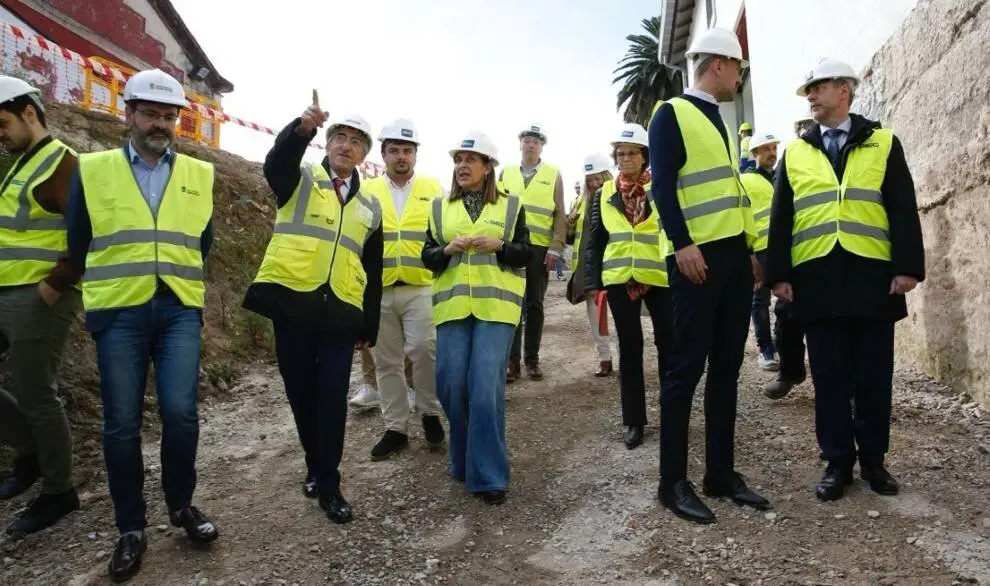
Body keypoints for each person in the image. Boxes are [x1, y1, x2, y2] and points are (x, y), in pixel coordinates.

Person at [66, 69, 218, 581]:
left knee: (180, 413)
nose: (160, 123)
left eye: (169, 115)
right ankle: (130, 528)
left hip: (178, 308)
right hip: (119, 311)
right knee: (121, 423)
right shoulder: (93, 169)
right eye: (150, 112)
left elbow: (204, 240)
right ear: (128, 113)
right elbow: (78, 240)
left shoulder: (199, 174)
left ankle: (181, 507)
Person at [766, 58, 925, 501]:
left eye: (817, 88)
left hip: (872, 277)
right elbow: (782, 219)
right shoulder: (795, 151)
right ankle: (837, 462)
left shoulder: (883, 142)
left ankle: (874, 460)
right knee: (830, 377)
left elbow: (901, 207)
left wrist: (907, 267)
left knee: (874, 375)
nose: (811, 97)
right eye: (808, 91)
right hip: (817, 278)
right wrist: (779, 275)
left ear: (844, 90)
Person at [242, 93, 383, 523]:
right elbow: (275, 163)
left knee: (331, 400)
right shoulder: (298, 179)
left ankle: (329, 482)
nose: (346, 145)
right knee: (301, 394)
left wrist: (369, 324)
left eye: (356, 142)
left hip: (341, 313)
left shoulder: (369, 207)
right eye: (339, 137)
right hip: (294, 305)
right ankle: (313, 463)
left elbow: (372, 271)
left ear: (363, 154)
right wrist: (303, 128)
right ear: (328, 143)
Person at [649, 28, 770, 524]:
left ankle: (720, 473)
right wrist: (682, 245)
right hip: (696, 262)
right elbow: (663, 187)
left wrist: (750, 252)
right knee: (684, 371)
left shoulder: (718, 121)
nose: (740, 77)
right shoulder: (671, 113)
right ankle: (670, 482)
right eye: (738, 67)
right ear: (718, 64)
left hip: (731, 262)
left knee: (725, 368)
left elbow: (728, 194)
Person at [421, 131, 531, 505]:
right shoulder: (439, 208)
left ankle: (488, 475)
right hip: (453, 308)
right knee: (451, 385)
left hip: (497, 309)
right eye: (458, 160)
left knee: (484, 388)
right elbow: (428, 257)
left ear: (488, 168)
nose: (462, 166)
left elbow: (526, 253)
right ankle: (463, 458)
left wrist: (501, 246)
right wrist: (446, 249)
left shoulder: (511, 206)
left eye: (471, 159)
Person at [0, 76, 81, 537]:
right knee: (31, 396)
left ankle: (58, 490)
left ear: (29, 113)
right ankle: (30, 451)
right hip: (7, 291)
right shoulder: (23, 161)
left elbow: (85, 233)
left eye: (4, 122)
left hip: (38, 297)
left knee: (37, 394)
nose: (0, 133)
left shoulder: (60, 163)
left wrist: (55, 284)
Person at [360, 118, 444, 460]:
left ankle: (429, 413)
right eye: (394, 150)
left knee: (425, 350)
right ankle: (395, 427)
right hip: (378, 290)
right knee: (386, 362)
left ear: (415, 155)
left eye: (407, 150)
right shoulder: (367, 191)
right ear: (382, 154)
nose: (401, 156)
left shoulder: (433, 188)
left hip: (421, 284)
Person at [585, 124, 673, 450]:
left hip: (660, 275)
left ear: (645, 156)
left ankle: (672, 412)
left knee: (668, 343)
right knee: (630, 348)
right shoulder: (604, 194)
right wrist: (592, 282)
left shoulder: (662, 187)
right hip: (620, 277)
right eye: (620, 154)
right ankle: (634, 421)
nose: (625, 159)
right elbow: (595, 241)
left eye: (631, 153)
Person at [499, 123, 566, 381]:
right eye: (526, 139)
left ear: (541, 146)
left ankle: (532, 360)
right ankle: (511, 363)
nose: (530, 144)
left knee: (534, 304)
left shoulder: (553, 174)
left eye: (535, 141)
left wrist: (556, 246)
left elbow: (560, 212)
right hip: (513, 247)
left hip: (540, 248)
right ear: (520, 144)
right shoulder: (505, 173)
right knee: (513, 303)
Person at [566, 153, 614, 377]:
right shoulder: (579, 202)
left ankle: (629, 357)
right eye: (590, 180)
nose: (593, 184)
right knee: (596, 316)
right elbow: (570, 238)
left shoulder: (616, 195)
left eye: (597, 178)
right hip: (589, 268)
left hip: (615, 265)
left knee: (621, 316)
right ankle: (605, 359)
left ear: (606, 176)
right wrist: (570, 223)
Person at [740, 132, 781, 371]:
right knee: (760, 300)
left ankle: (782, 344)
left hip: (784, 246)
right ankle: (766, 348)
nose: (771, 153)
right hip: (761, 248)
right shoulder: (746, 180)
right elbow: (743, 217)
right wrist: (749, 253)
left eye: (774, 148)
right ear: (755, 153)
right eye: (765, 149)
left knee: (786, 301)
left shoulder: (781, 176)